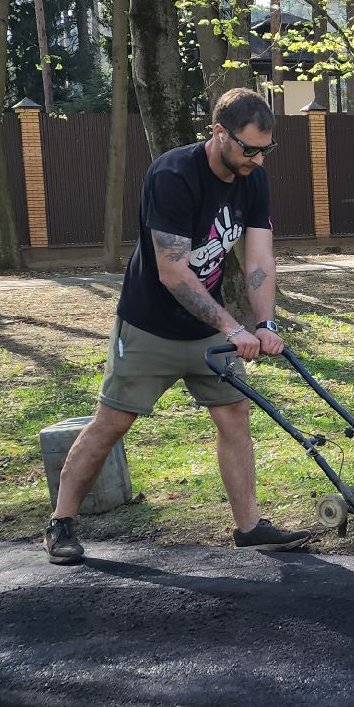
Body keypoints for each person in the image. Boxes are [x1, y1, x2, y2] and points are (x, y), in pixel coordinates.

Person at [43, 88, 314, 564]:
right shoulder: (172, 175)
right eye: (248, 149)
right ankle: (62, 522)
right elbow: (174, 272)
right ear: (218, 134)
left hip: (208, 327)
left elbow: (258, 258)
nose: (256, 159)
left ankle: (249, 527)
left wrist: (265, 321)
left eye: (265, 149)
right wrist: (234, 328)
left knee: (234, 417)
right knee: (111, 422)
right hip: (150, 325)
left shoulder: (254, 179)